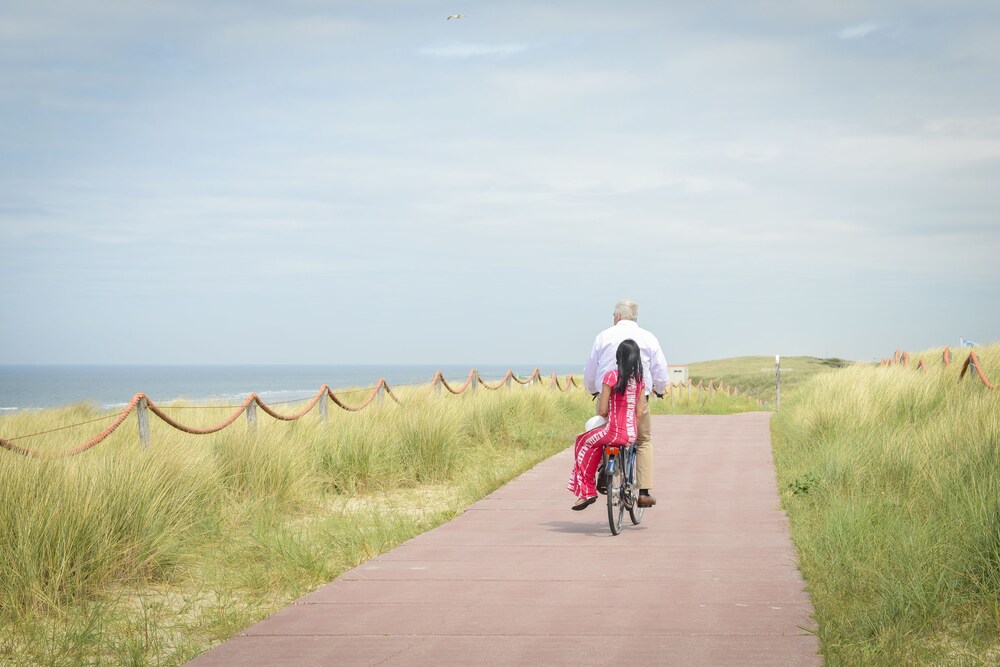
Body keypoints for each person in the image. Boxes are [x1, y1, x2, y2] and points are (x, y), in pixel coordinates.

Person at [583, 300, 668, 507]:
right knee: (643, 441)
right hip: (637, 399)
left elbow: (591, 370)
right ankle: (644, 491)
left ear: (618, 316)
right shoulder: (648, 337)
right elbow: (660, 370)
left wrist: (593, 389)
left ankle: (604, 470)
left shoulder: (603, 336)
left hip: (608, 397)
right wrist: (659, 389)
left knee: (603, 434)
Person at [567, 339, 646, 509]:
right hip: (631, 434)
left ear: (619, 357)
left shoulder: (611, 376)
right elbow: (639, 412)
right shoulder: (640, 381)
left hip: (613, 432)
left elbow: (602, 411)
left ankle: (587, 491)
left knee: (582, 441)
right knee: (596, 442)